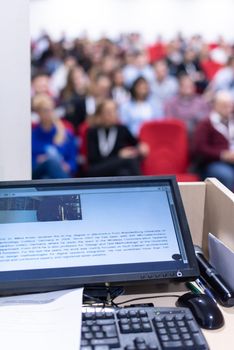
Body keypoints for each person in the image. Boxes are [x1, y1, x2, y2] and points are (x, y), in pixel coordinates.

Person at [87, 99, 149, 177]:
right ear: (100, 115)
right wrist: (118, 157)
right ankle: (143, 185)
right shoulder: (93, 131)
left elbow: (136, 143)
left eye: (115, 111)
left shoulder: (122, 129)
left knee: (123, 173)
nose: (113, 114)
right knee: (129, 161)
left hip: (118, 166)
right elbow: (93, 158)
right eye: (108, 112)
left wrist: (140, 147)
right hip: (98, 167)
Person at [193, 91, 234, 190]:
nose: (228, 108)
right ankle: (227, 205)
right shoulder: (206, 124)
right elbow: (199, 149)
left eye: (230, 105)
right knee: (226, 176)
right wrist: (222, 155)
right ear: (215, 105)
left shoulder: (231, 121)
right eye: (224, 105)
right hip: (212, 163)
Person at [32, 94, 77, 179]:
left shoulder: (66, 134)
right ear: (38, 113)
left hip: (59, 174)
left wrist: (67, 166)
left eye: (51, 110)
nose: (49, 113)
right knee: (50, 163)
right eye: (45, 110)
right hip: (38, 176)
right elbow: (28, 164)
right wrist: (39, 161)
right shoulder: (32, 136)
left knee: (52, 166)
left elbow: (73, 162)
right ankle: (68, 189)